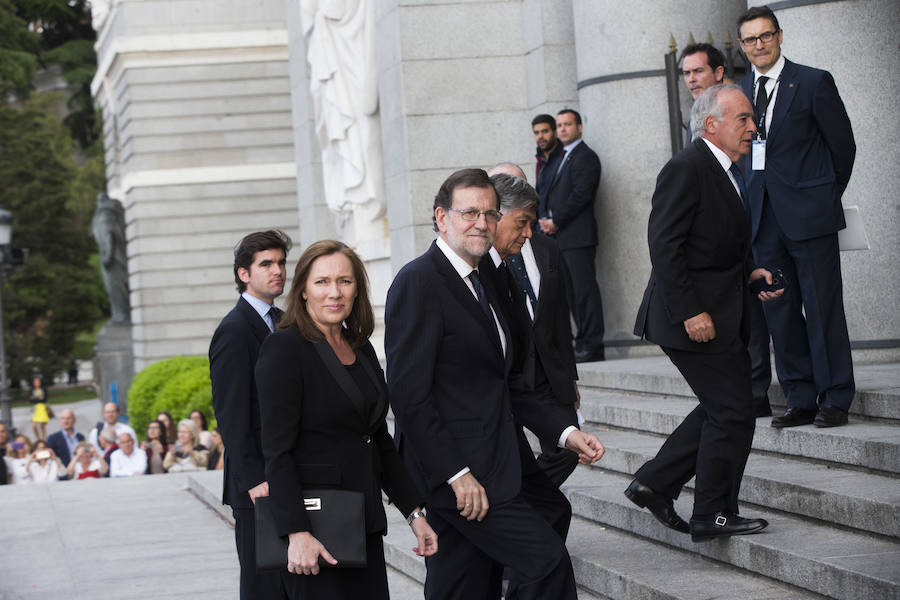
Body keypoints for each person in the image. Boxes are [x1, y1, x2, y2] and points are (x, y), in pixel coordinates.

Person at [385, 168, 604, 599]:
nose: (482, 223)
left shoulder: (485, 276)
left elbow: (507, 382)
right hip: (459, 472)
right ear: (442, 217)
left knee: (464, 585)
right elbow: (410, 396)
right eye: (469, 213)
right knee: (545, 562)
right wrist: (456, 473)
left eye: (489, 214)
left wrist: (564, 431)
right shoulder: (418, 282)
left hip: (492, 457)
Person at [630, 84, 782, 542]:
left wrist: (749, 271)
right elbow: (665, 245)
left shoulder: (727, 170)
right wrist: (692, 310)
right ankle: (712, 513)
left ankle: (654, 484)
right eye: (743, 119)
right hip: (692, 318)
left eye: (753, 119)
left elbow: (714, 242)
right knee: (734, 408)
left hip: (721, 309)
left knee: (729, 404)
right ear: (711, 124)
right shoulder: (686, 167)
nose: (752, 127)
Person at [256, 240, 437, 598]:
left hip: (361, 523)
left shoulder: (361, 346)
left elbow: (377, 439)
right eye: (322, 282)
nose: (334, 292)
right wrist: (297, 533)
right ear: (303, 291)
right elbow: (277, 452)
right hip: (316, 530)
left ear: (357, 289)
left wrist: (414, 513)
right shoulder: (284, 348)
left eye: (345, 281)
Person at [737, 6, 856, 428]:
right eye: (750, 39)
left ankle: (835, 397)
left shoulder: (812, 81)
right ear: (741, 45)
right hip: (761, 221)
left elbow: (842, 148)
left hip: (810, 217)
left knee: (823, 308)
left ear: (780, 36)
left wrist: (822, 196)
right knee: (779, 310)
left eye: (765, 36)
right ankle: (800, 398)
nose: (759, 45)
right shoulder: (736, 93)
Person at [680, 42, 772, 416]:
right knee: (725, 403)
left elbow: (756, 167)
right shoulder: (696, 130)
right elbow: (667, 239)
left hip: (751, 230)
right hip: (712, 276)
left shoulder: (737, 108)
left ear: (718, 72)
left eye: (697, 71)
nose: (690, 80)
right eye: (686, 73)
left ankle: (758, 389)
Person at [209, 229, 291, 599]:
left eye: (281, 263)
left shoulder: (286, 320)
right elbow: (231, 413)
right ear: (244, 273)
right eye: (266, 264)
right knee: (264, 587)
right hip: (258, 486)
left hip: (287, 477)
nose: (278, 271)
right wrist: (254, 479)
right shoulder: (234, 330)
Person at [488, 172, 581, 488]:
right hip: (509, 377)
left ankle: (531, 500)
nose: (527, 232)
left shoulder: (546, 248)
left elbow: (558, 315)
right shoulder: (480, 268)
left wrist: (570, 377)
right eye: (521, 222)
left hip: (547, 369)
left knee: (565, 450)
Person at [538, 109, 606, 363]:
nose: (563, 129)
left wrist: (556, 220)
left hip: (578, 237)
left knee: (584, 291)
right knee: (570, 294)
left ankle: (593, 345)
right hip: (560, 238)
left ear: (579, 127)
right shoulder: (561, 158)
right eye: (560, 125)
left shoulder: (586, 157)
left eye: (568, 124)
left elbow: (581, 194)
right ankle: (582, 342)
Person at [531, 114, 564, 206]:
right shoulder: (540, 158)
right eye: (536, 133)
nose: (540, 136)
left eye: (545, 131)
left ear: (555, 132)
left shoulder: (565, 156)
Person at [30, 377, 50, 441]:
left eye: (38, 382)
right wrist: (38, 398)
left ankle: (43, 439)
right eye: (35, 382)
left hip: (42, 407)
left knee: (42, 425)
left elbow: (44, 398)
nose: (37, 383)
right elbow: (31, 399)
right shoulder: (32, 389)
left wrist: (36, 398)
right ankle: (38, 439)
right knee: (34, 426)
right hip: (35, 408)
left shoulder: (43, 389)